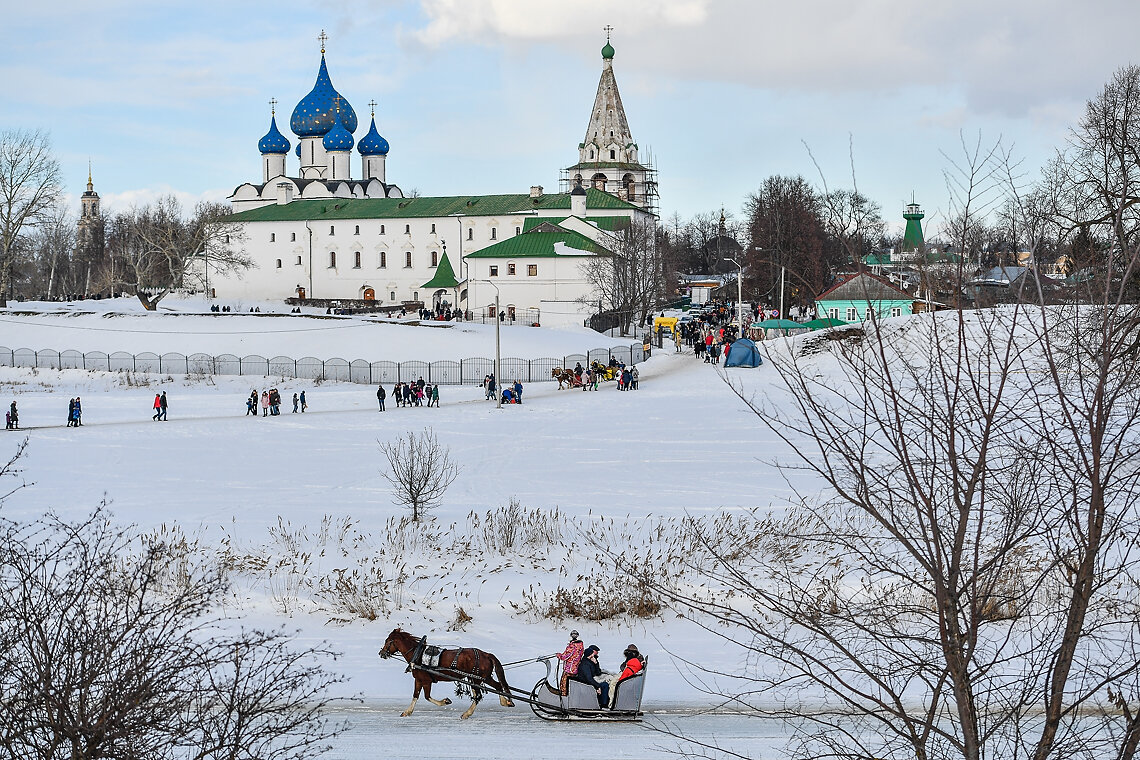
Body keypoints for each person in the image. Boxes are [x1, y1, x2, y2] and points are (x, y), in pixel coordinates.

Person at [555, 630, 584, 695]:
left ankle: (563, 695)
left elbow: (565, 656)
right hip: (575, 668)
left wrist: (559, 655)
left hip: (569, 668)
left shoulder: (572, 646)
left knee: (564, 683)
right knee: (570, 683)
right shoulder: (581, 645)